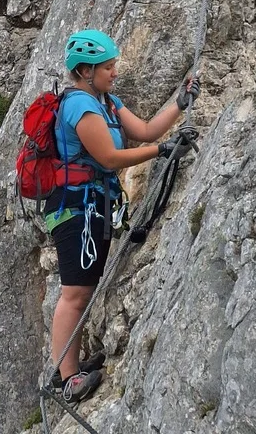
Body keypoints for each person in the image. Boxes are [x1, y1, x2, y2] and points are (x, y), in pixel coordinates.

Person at [46, 29, 199, 403]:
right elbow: (110, 159)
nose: (115, 72)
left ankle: (72, 365)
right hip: (74, 208)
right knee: (75, 293)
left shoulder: (107, 102)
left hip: (91, 206)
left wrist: (180, 104)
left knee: (83, 289)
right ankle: (66, 379)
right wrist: (161, 151)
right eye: (108, 66)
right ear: (85, 71)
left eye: (113, 65)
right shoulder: (79, 106)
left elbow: (145, 130)